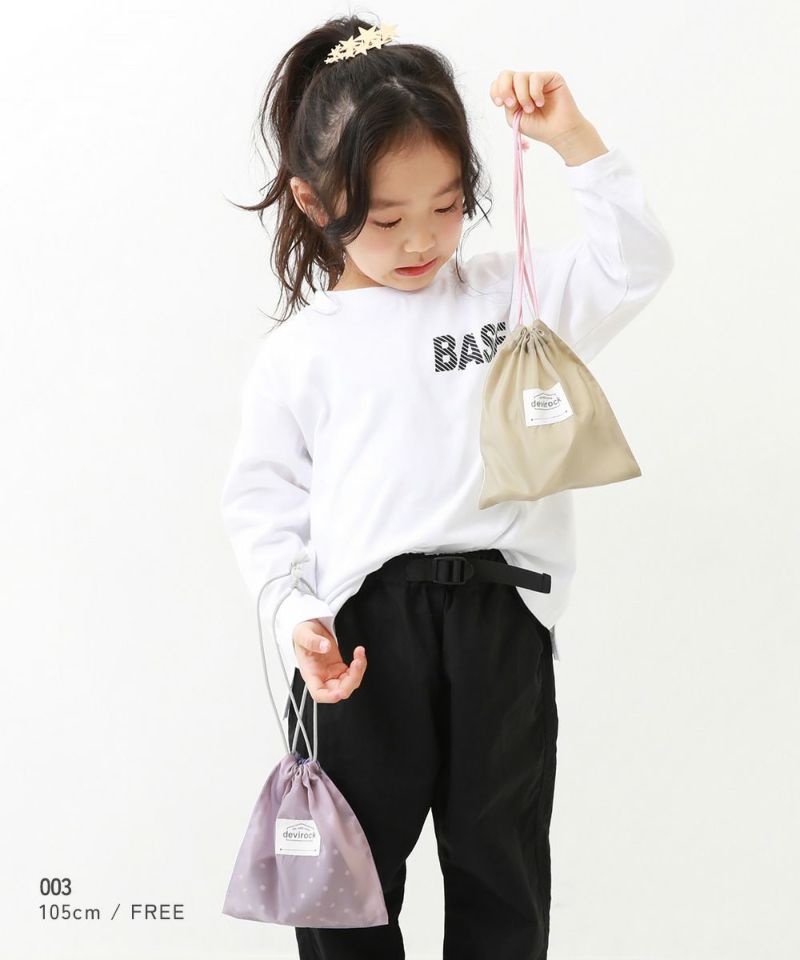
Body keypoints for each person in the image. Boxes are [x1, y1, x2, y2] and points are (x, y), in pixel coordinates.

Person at [219, 15, 674, 960]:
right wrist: (297, 615)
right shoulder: (300, 354)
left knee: (501, 878)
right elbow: (262, 504)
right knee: (345, 890)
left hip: (501, 621)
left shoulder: (509, 298)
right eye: (387, 219)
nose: (422, 239)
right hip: (358, 640)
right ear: (313, 200)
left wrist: (574, 142)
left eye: (448, 204)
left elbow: (634, 266)